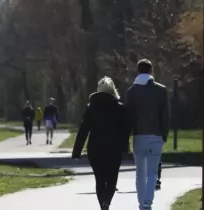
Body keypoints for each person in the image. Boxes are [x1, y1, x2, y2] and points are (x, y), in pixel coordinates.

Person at [72, 76, 131, 210]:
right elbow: (125, 130)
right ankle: (107, 202)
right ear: (112, 90)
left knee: (99, 178)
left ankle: (102, 205)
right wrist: (125, 147)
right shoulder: (119, 108)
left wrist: (77, 151)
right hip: (114, 149)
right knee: (112, 177)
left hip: (95, 148)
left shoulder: (91, 107)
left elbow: (83, 130)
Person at [124, 59, 169, 210]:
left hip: (139, 135)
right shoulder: (161, 90)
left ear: (137, 71)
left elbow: (127, 116)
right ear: (151, 71)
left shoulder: (131, 92)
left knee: (140, 172)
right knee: (152, 171)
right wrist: (164, 134)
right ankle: (147, 202)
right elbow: (165, 115)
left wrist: (126, 136)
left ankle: (141, 202)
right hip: (156, 135)